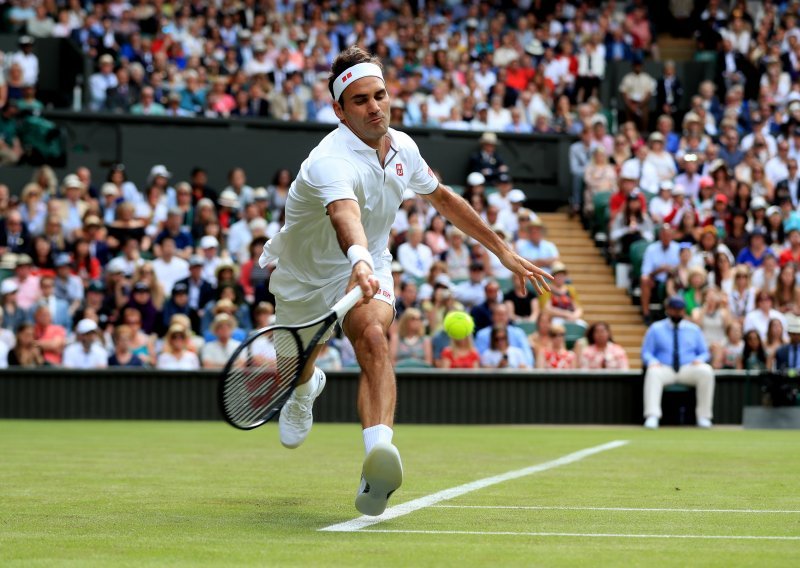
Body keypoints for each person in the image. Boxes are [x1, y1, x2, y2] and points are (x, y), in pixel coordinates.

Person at [256, 47, 551, 516]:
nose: (375, 106)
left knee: (374, 335)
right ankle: (304, 389)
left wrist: (503, 250)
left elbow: (443, 198)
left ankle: (377, 459)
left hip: (369, 264)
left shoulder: (404, 147)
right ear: (339, 110)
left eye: (380, 95)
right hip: (305, 279)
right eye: (359, 100)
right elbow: (343, 213)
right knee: (299, 368)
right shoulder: (327, 162)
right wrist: (355, 256)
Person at [641, 296, 715, 429]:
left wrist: (700, 359)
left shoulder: (694, 329)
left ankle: (703, 417)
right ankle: (652, 416)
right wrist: (652, 361)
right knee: (652, 373)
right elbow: (646, 352)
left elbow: (705, 352)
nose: (677, 312)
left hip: (688, 367)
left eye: (680, 310)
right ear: (668, 310)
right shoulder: (655, 328)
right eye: (674, 309)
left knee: (706, 371)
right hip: (664, 367)